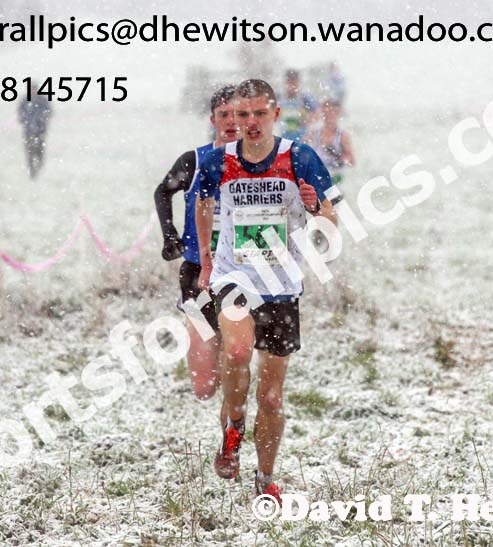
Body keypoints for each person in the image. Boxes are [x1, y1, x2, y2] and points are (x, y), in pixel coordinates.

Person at [195, 79, 337, 504]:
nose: (251, 122)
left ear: (276, 114)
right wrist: (207, 261)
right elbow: (202, 205)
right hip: (234, 277)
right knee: (238, 352)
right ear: (233, 118)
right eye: (242, 115)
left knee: (272, 397)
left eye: (259, 113)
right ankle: (234, 425)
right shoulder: (218, 162)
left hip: (281, 285)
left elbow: (331, 222)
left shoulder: (300, 158)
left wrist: (313, 207)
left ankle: (266, 477)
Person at [153, 85, 239, 410]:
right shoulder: (194, 161)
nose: (230, 121)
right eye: (223, 114)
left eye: (236, 114)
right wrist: (170, 235)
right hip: (197, 274)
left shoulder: (260, 164)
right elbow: (162, 191)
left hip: (243, 273)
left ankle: (233, 423)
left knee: (236, 359)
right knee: (204, 387)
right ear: (213, 119)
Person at [304, 98, 355, 202]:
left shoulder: (343, 135)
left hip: (336, 178)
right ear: (322, 114)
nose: (329, 116)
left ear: (338, 114)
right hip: (319, 177)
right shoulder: (313, 133)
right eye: (326, 113)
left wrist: (337, 155)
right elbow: (300, 153)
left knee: (334, 205)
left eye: (332, 113)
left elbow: (351, 161)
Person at [18, 84, 52, 179]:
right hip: (28, 131)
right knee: (29, 151)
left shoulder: (42, 100)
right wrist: (24, 120)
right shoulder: (25, 100)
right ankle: (32, 170)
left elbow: (49, 111)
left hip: (40, 131)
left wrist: (42, 119)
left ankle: (39, 166)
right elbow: (20, 112)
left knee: (39, 150)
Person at [278, 69, 317, 142]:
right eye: (289, 82)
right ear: (285, 83)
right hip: (283, 139)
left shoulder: (305, 99)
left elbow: (317, 115)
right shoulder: (279, 99)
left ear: (299, 83)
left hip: (301, 140)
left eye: (294, 82)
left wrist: (306, 121)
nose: (291, 86)